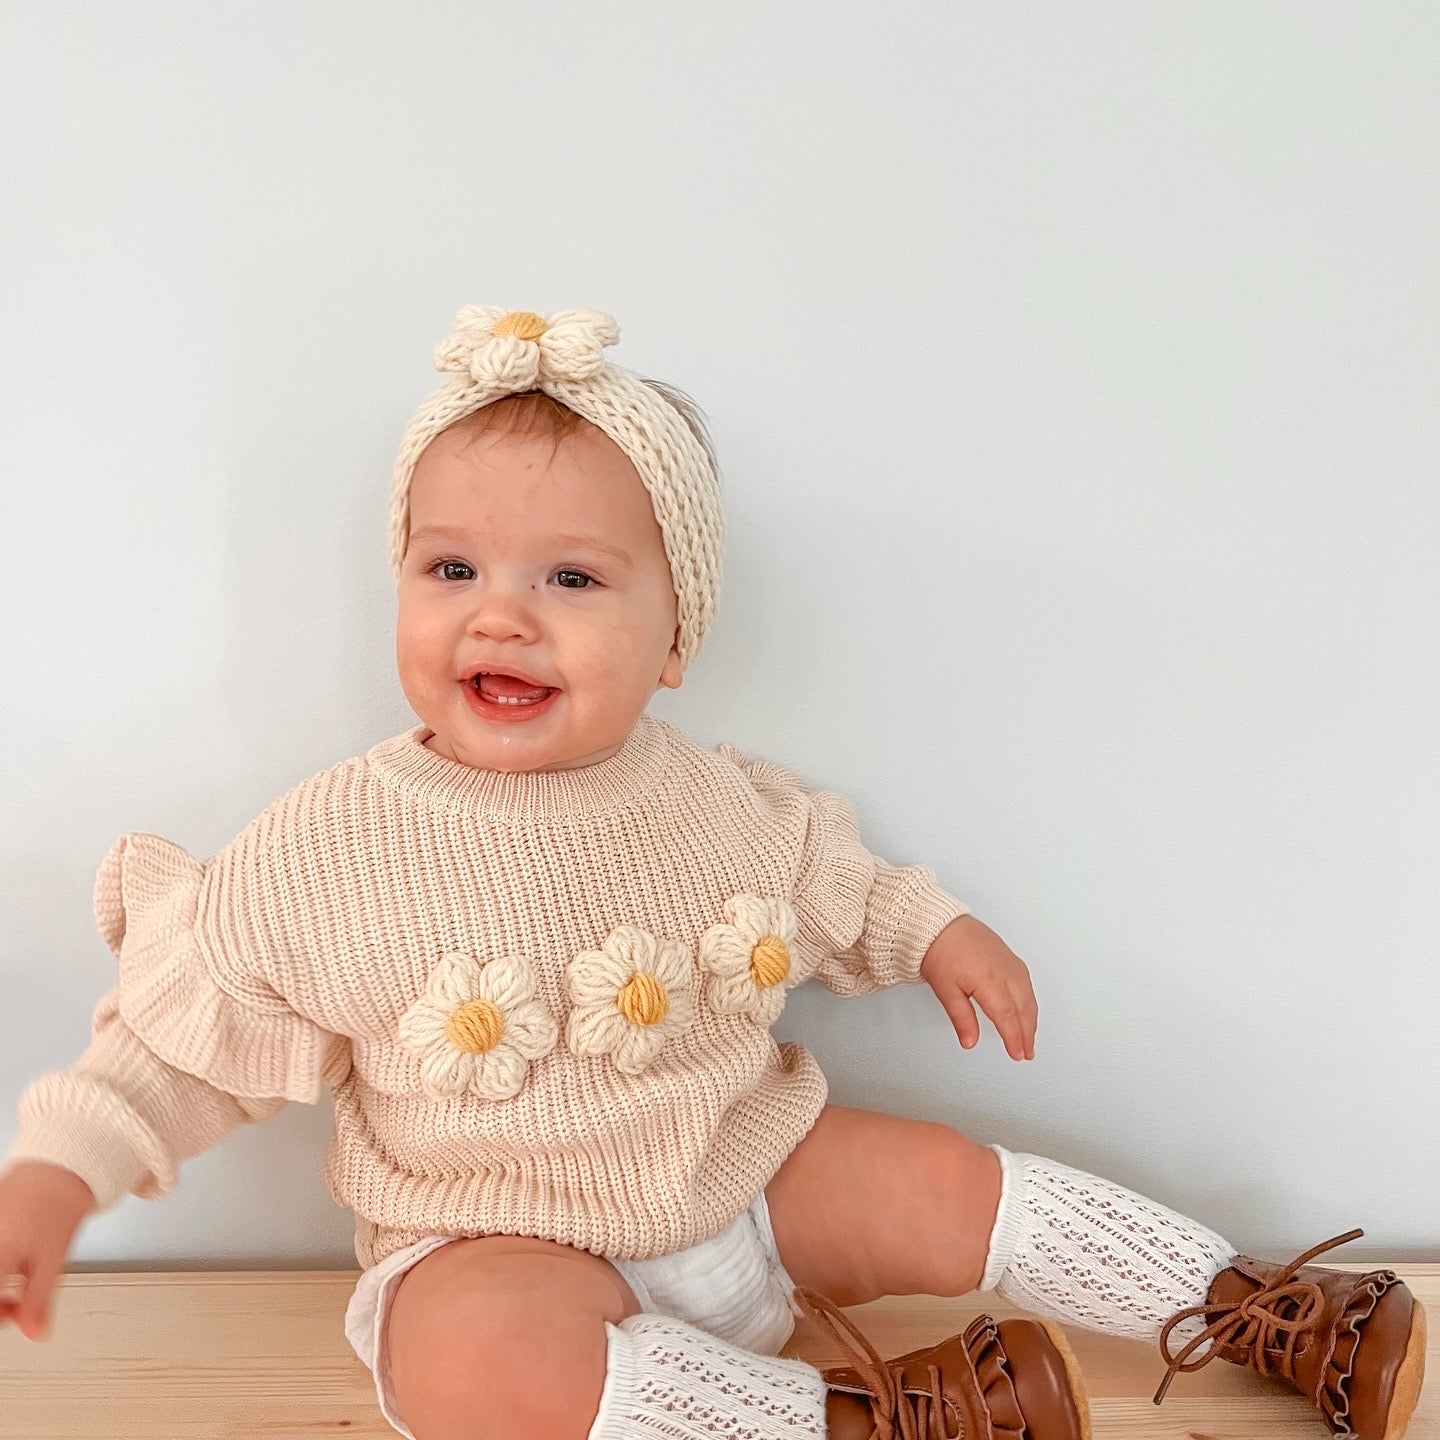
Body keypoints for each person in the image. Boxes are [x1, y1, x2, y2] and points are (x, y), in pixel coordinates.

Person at [0, 306, 1425, 1440]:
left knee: (940, 1179)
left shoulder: (704, 796)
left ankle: (1256, 1307)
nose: (503, 615)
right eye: (450, 571)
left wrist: (933, 930)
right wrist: (59, 1173)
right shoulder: (330, 846)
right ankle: (870, 1420)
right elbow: (175, 1047)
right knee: (464, 1363)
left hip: (747, 1182)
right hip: (512, 1250)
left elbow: (828, 880)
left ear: (673, 640)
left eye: (571, 580)